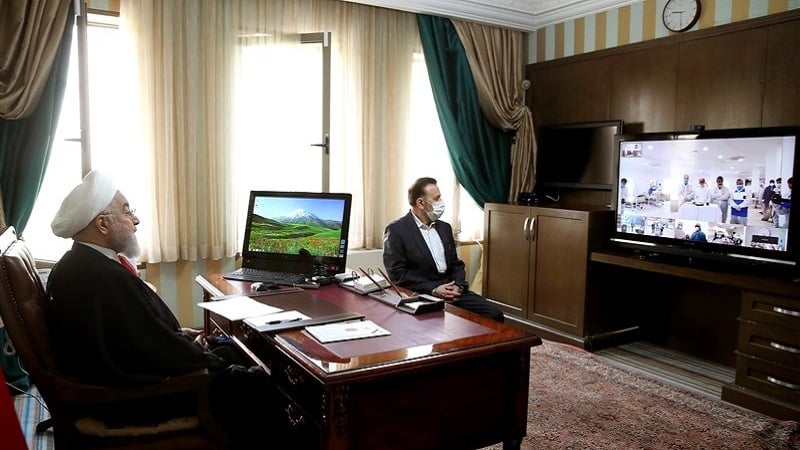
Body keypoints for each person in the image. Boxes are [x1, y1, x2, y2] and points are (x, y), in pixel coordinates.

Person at [46, 170, 280, 448]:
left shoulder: (79, 264)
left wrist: (183, 339)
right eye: (127, 211)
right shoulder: (100, 277)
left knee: (231, 351)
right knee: (263, 383)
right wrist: (199, 354)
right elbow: (149, 349)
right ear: (103, 224)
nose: (135, 220)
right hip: (132, 400)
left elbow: (136, 337)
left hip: (124, 382)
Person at [383, 177, 504, 321]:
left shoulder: (444, 228)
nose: (441, 203)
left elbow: (456, 264)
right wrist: (434, 289)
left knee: (495, 315)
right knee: (440, 324)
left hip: (453, 291)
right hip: (422, 293)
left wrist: (458, 286)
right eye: (436, 199)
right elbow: (398, 274)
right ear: (420, 203)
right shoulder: (396, 230)